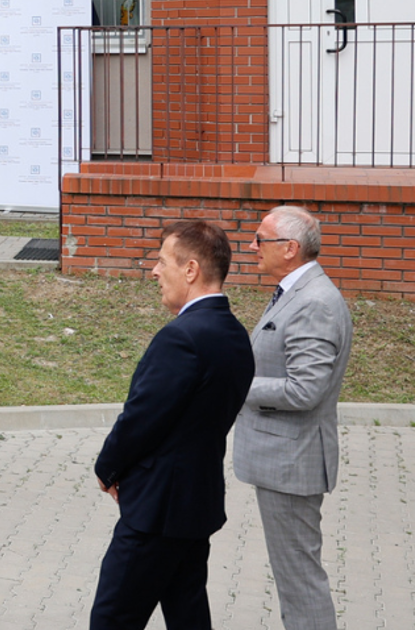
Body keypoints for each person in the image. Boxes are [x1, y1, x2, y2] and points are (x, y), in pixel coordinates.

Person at [89, 219, 254, 630]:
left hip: (157, 512)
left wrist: (106, 468)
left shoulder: (182, 338)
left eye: (163, 261)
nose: (154, 271)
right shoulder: (234, 333)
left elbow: (142, 418)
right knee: (188, 615)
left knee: (112, 618)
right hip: (195, 506)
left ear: (191, 270)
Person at [236, 205, 351, 630]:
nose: (251, 247)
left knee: (300, 582)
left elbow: (306, 389)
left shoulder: (314, 303)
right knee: (294, 579)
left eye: (259, 239)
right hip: (285, 460)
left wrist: (235, 388)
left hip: (292, 462)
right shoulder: (296, 291)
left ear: (290, 248)